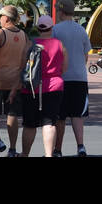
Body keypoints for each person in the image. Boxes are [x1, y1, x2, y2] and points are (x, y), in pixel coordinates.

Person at [0, 4, 28, 156]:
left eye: (1, 16)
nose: (0, 19)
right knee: (12, 114)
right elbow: (24, 59)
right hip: (15, 81)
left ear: (6, 18)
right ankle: (12, 148)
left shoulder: (0, 33)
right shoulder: (23, 35)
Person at [51, 0, 92, 157]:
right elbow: (86, 55)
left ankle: (58, 149)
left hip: (61, 77)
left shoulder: (55, 30)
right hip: (79, 77)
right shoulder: (81, 30)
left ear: (61, 12)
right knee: (77, 114)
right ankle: (80, 146)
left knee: (60, 116)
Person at [21, 15, 65, 157]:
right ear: (51, 28)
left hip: (32, 88)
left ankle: (25, 153)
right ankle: (48, 154)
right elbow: (64, 68)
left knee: (29, 124)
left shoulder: (30, 44)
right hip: (53, 87)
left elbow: (23, 66)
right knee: (49, 123)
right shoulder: (59, 44)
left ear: (37, 28)